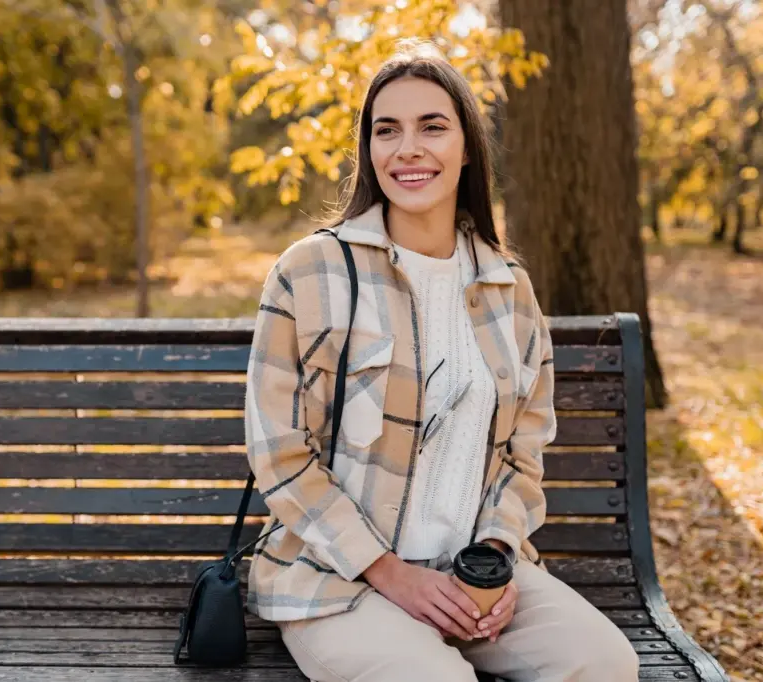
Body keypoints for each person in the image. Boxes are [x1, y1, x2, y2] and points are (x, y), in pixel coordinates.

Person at [243, 40, 639, 682]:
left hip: (466, 581)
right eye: (387, 130)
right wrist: (389, 573)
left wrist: (495, 558)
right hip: (338, 580)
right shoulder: (311, 273)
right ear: (369, 151)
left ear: (466, 146)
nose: (409, 149)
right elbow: (282, 455)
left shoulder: (509, 288)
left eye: (432, 126)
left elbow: (522, 454)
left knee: (605, 665)